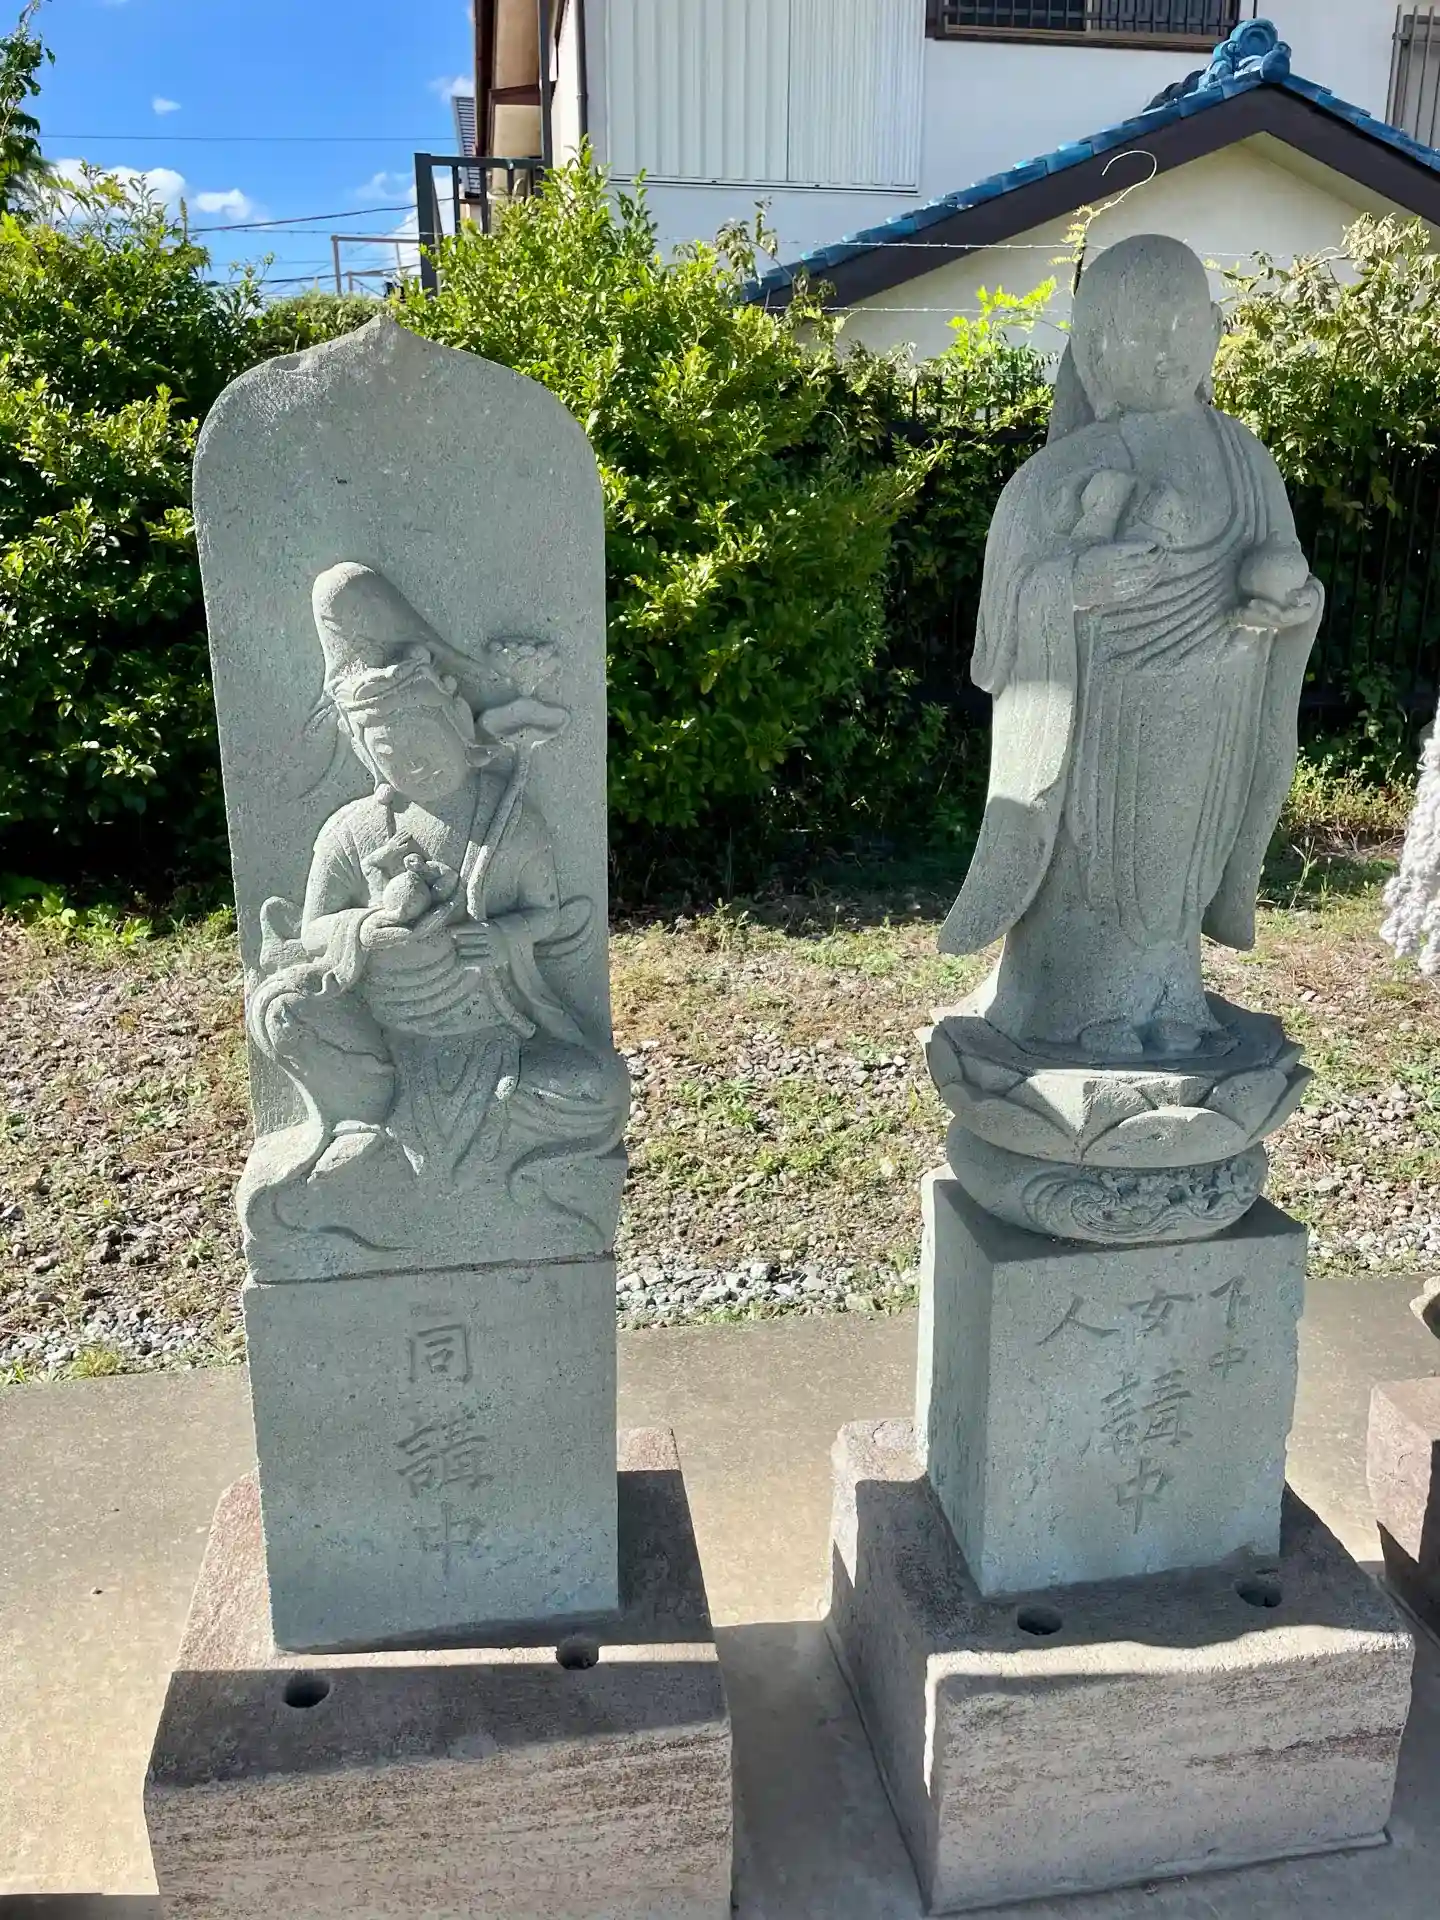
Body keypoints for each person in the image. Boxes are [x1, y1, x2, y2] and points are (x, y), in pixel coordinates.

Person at [942, 235, 1324, 1060]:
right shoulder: (1060, 474)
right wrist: (1076, 583)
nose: (1166, 350)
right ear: (1094, 349)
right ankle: (1070, 1005)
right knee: (1099, 862)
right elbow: (1001, 629)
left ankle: (1171, 997)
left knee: (1181, 863)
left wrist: (1292, 608)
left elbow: (1287, 569)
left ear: (1215, 329)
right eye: (1142, 331)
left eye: (1184, 325)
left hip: (1217, 707)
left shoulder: (1246, 460)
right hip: (1105, 721)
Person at [241, 562, 627, 1259]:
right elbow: (311, 931)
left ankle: (398, 1159)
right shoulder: (354, 830)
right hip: (386, 1039)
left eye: (425, 747)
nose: (413, 767)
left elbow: (546, 914)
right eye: (392, 756)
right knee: (282, 1006)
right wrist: (366, 931)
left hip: (492, 1034)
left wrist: (502, 939)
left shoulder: (509, 824)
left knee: (594, 1086)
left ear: (458, 725)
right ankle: (366, 1127)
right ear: (368, 757)